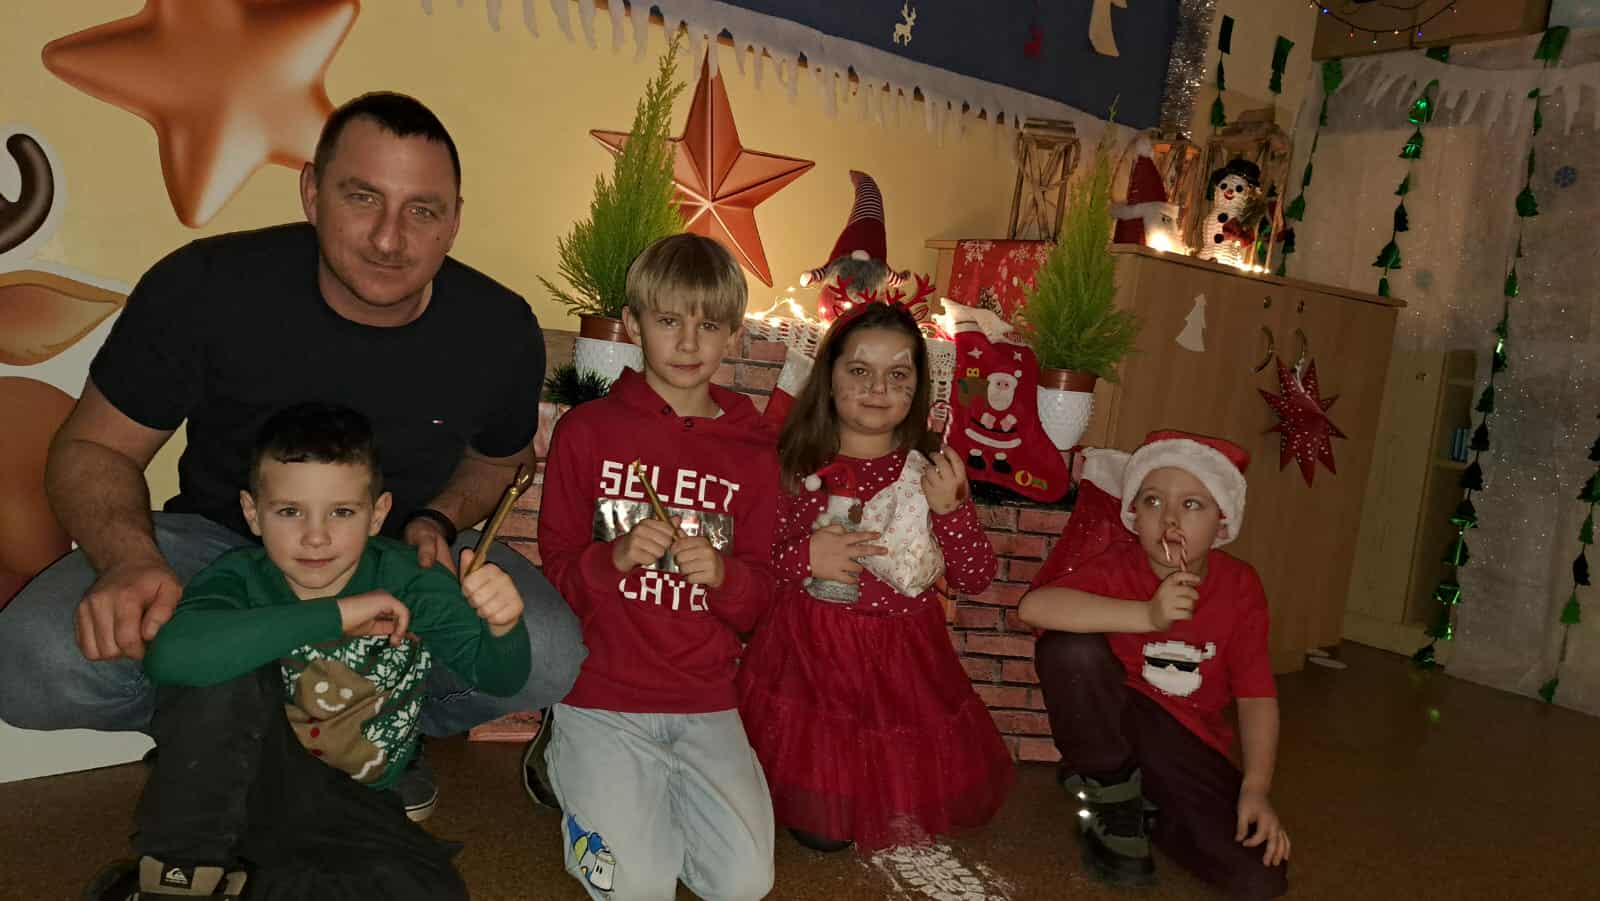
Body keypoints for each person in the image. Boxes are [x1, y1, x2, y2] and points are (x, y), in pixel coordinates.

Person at [0, 92, 585, 817]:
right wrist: (128, 559)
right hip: (221, 547)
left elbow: (499, 462)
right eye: (362, 197)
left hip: (398, 561)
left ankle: (376, 723)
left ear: (454, 220)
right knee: (30, 658)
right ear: (312, 192)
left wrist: (438, 516)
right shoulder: (205, 286)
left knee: (549, 652)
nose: (389, 238)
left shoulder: (498, 328)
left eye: (422, 210)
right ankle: (233, 723)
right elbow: (92, 447)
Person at [86, 403, 528, 900]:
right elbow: (170, 657)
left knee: (424, 890)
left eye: (342, 512)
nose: (315, 536)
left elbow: (501, 678)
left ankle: (239, 882)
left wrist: (503, 626)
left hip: (351, 801)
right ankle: (178, 880)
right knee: (220, 661)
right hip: (231, 784)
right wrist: (338, 614)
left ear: (378, 514)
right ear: (253, 513)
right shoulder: (238, 579)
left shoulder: (411, 580)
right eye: (289, 511)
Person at [535, 234, 779, 901]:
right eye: (669, 319)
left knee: (744, 885)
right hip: (601, 697)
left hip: (706, 701)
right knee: (636, 887)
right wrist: (612, 557)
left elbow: (761, 599)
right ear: (634, 322)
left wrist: (725, 577)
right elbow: (556, 574)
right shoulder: (587, 432)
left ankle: (642, 800)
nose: (688, 342)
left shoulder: (755, 455)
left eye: (709, 325)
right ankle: (569, 761)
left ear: (733, 335)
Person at [735, 300, 1014, 853]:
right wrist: (804, 558)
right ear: (829, 377)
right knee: (822, 826)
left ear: (917, 387)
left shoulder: (931, 468)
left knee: (893, 795)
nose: (878, 388)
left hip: (901, 658)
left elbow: (976, 576)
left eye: (898, 375)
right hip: (808, 658)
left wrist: (951, 511)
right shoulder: (794, 464)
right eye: (860, 370)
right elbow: (750, 561)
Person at [1017, 430, 1290, 899]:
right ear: (1134, 516)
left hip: (1186, 743)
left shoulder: (1240, 585)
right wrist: (1147, 615)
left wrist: (1256, 789)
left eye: (1192, 504)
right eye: (1153, 501)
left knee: (1259, 878)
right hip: (1119, 716)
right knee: (1069, 649)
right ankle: (1109, 788)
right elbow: (1034, 608)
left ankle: (1137, 803)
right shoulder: (1118, 565)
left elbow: (1256, 697)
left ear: (1222, 522)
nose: (1170, 518)